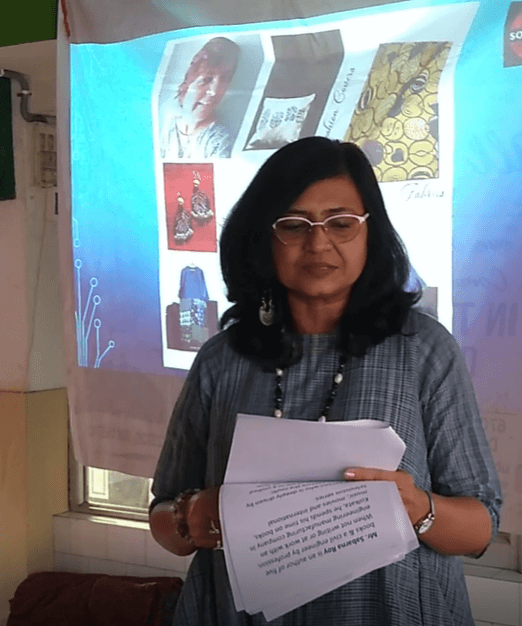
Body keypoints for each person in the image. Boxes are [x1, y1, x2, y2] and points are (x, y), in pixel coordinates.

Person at [149, 137, 502, 625]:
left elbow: (482, 527)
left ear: (370, 233)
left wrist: (416, 508)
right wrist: (192, 517)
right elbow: (162, 516)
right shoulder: (222, 359)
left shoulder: (422, 349)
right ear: (263, 238)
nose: (318, 243)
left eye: (341, 223)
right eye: (294, 225)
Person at [161, 37, 239, 159]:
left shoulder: (221, 139)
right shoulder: (166, 125)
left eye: (224, 79)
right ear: (187, 83)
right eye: (206, 79)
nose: (214, 92)